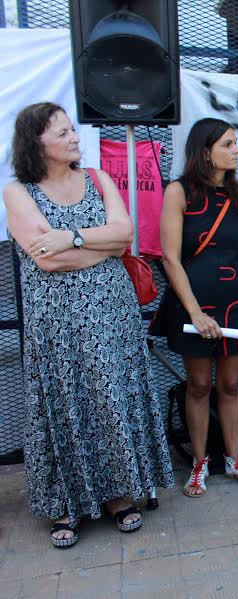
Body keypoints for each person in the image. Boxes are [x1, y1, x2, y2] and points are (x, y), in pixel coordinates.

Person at [3, 102, 173, 548]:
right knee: (65, 401)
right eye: (61, 134)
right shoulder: (17, 192)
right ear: (35, 143)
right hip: (55, 322)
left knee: (111, 396)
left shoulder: (97, 178)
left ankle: (119, 496)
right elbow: (47, 258)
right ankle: (67, 503)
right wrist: (101, 247)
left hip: (112, 316)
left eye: (71, 130)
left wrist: (73, 237)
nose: (74, 138)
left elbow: (126, 233)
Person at [160, 118, 238, 497]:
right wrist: (194, 313)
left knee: (229, 385)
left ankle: (235, 458)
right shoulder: (178, 193)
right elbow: (170, 259)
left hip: (236, 305)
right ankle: (199, 462)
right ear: (206, 151)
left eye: (236, 143)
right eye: (229, 144)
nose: (237, 150)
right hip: (194, 308)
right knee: (200, 385)